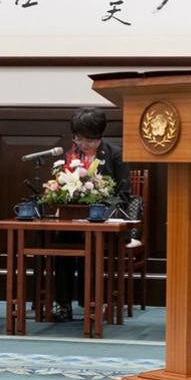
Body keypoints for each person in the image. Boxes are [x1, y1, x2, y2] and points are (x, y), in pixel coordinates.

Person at [53, 107, 130, 322]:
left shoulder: (115, 155)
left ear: (100, 136)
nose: (84, 145)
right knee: (61, 242)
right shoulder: (70, 155)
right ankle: (63, 304)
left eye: (89, 140)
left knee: (93, 243)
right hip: (75, 223)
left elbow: (123, 195)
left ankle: (94, 303)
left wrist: (99, 202)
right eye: (79, 139)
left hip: (106, 222)